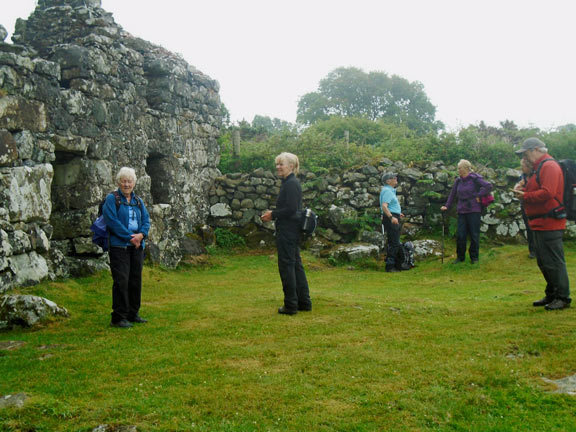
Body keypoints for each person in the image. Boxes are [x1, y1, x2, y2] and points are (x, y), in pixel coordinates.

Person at [513, 137, 571, 310]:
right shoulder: (539, 168)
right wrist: (523, 189)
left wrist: (525, 197)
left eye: (527, 152)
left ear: (538, 150)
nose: (526, 157)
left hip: (550, 221)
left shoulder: (549, 166)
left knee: (554, 260)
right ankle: (552, 293)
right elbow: (537, 188)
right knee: (543, 261)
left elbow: (548, 192)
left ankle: (563, 297)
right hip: (539, 221)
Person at [261, 152, 312, 315]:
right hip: (292, 229)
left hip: (288, 229)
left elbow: (290, 209)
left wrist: (272, 215)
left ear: (291, 166)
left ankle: (290, 305)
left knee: (287, 265)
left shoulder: (290, 184)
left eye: (281, 164)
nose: (278, 167)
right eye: (277, 164)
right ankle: (304, 302)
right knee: (296, 265)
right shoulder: (291, 183)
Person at [103, 167, 151, 328]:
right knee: (121, 280)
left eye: (129, 181)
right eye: (123, 181)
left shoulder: (138, 201)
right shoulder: (112, 199)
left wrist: (141, 235)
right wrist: (130, 237)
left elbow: (146, 220)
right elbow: (112, 221)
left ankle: (133, 313)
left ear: (134, 183)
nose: (126, 184)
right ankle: (118, 317)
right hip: (119, 246)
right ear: (118, 182)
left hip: (137, 246)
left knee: (135, 279)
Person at [441, 159, 493, 264]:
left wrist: (478, 195)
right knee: (461, 234)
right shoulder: (458, 181)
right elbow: (452, 194)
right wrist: (447, 206)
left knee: (474, 234)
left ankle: (474, 257)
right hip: (462, 210)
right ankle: (460, 257)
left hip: (474, 209)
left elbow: (488, 186)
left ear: (465, 168)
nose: (458, 170)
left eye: (459, 168)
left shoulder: (475, 178)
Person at [380, 172, 404, 272]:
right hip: (391, 218)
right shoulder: (387, 191)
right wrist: (392, 217)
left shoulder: (389, 190)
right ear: (388, 181)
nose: (396, 178)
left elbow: (389, 206)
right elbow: (384, 206)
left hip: (394, 216)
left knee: (394, 241)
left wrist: (398, 213)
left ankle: (397, 265)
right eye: (393, 177)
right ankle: (390, 266)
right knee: (394, 242)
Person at [514, 158, 536, 258]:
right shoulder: (522, 177)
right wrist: (517, 187)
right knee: (529, 227)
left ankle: (540, 250)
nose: (522, 168)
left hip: (536, 206)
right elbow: (517, 186)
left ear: (528, 166)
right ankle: (532, 251)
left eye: (523, 166)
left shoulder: (536, 176)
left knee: (536, 228)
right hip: (525, 205)